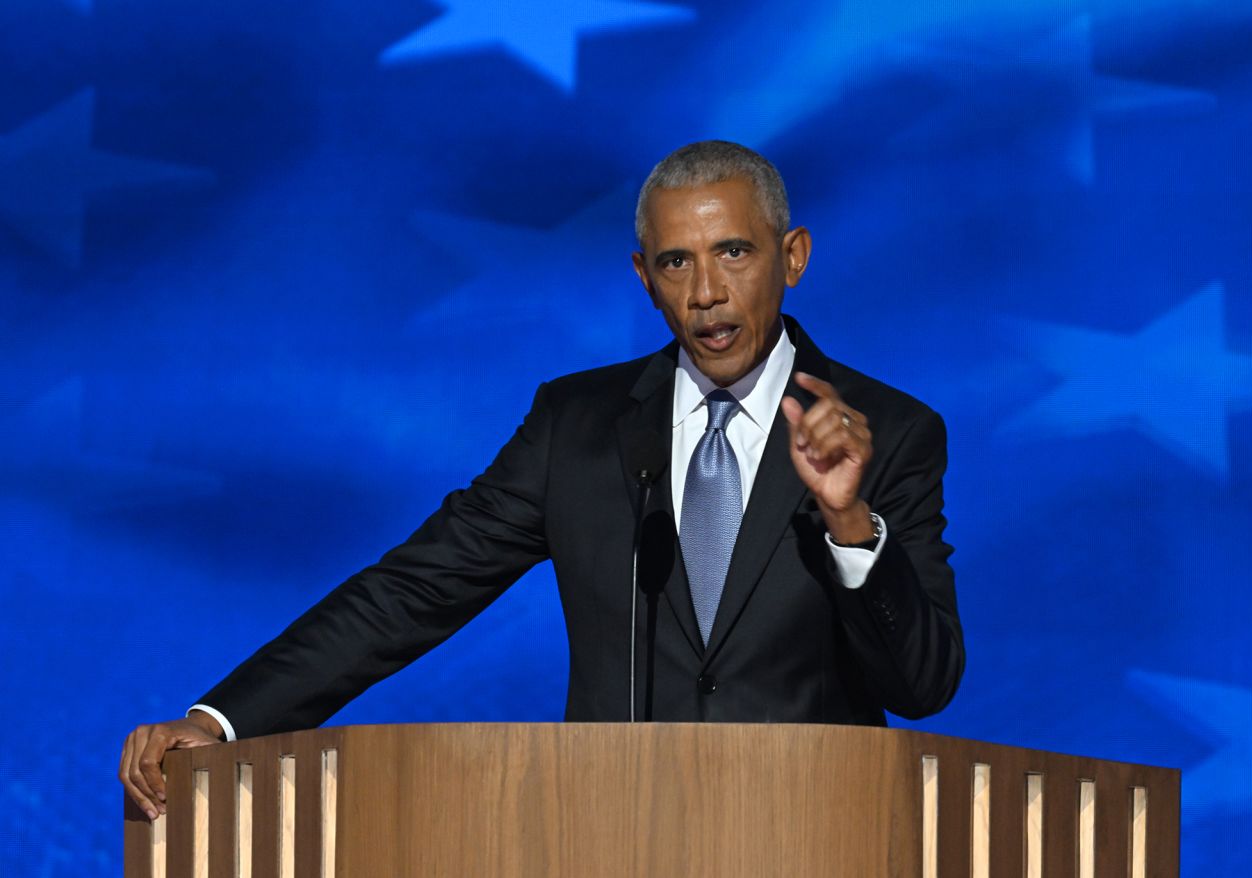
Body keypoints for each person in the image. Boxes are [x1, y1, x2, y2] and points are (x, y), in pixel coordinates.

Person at [120, 140, 964, 820]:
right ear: (645, 278)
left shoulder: (890, 434)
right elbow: (414, 589)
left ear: (793, 256)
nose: (706, 292)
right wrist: (222, 720)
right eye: (676, 263)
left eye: (733, 252)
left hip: (816, 835)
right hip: (605, 832)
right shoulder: (579, 429)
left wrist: (850, 524)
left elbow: (921, 686)